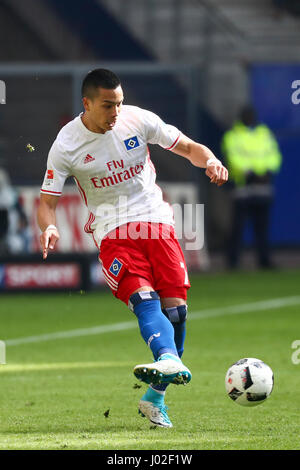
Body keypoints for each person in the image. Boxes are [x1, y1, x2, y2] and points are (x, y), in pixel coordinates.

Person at [37, 69, 228, 428]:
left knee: (177, 314)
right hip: (113, 232)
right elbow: (46, 202)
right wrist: (48, 226)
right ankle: (168, 358)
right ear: (87, 103)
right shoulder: (66, 145)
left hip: (157, 224)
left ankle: (155, 396)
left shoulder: (137, 119)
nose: (116, 113)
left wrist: (212, 160)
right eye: (108, 106)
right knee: (144, 301)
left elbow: (188, 148)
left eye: (119, 104)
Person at [221, 105, 282, 270]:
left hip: (263, 187)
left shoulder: (264, 133)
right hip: (243, 188)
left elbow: (274, 155)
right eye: (246, 115)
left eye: (251, 115)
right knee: (237, 227)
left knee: (262, 227)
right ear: (241, 117)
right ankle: (233, 262)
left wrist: (267, 170)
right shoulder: (232, 135)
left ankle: (264, 260)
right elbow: (233, 158)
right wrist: (252, 172)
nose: (249, 118)